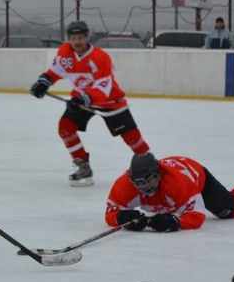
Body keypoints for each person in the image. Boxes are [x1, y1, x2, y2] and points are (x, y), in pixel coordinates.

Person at [29, 20, 151, 187]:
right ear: (69, 39)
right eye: (73, 38)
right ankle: (83, 167)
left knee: (132, 137)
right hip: (81, 100)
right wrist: (44, 82)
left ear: (86, 38)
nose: (77, 42)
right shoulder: (65, 53)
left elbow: (104, 85)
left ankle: (153, 168)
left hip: (109, 101)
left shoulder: (100, 57)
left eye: (80, 38)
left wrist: (84, 98)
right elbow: (55, 71)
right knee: (65, 127)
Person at [105, 153, 234, 232]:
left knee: (232, 210)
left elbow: (196, 215)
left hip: (196, 176)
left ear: (159, 174)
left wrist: (176, 221)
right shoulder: (124, 185)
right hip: (174, 188)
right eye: (138, 183)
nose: (144, 187)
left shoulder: (178, 183)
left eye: (149, 180)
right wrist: (122, 217)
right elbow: (110, 212)